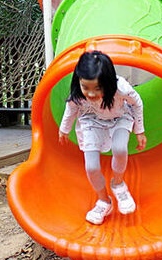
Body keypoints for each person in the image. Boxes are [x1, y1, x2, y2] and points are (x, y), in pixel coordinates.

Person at [58, 50, 147, 224]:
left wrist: (139, 130)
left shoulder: (121, 88)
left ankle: (118, 184)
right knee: (91, 167)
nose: (91, 94)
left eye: (97, 88)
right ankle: (104, 200)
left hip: (120, 117)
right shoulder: (78, 94)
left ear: (107, 82)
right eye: (86, 87)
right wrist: (64, 129)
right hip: (91, 120)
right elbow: (70, 110)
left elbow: (137, 103)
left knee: (120, 148)